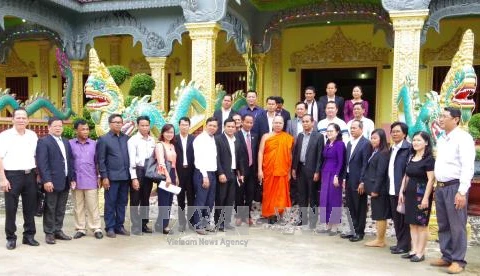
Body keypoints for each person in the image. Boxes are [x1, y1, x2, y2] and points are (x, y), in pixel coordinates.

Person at [431, 107, 475, 274]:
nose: (441, 119)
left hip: (455, 187)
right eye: (440, 116)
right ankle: (447, 255)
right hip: (441, 186)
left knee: (457, 225)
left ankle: (458, 260)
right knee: (444, 224)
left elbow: (468, 166)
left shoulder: (463, 138)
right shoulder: (443, 138)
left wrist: (462, 191)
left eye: (444, 116)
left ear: (456, 119)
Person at [0, 108, 39, 250]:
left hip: (30, 175)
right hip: (12, 175)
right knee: (11, 208)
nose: (21, 120)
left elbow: (35, 156)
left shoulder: (32, 135)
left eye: (24, 118)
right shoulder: (5, 136)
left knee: (30, 207)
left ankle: (29, 236)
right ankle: (11, 237)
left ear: (28, 120)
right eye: (18, 117)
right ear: (12, 120)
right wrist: (3, 179)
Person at [36, 117, 75, 244]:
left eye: (60, 126)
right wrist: (46, 180)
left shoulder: (65, 141)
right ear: (49, 127)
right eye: (55, 126)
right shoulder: (44, 142)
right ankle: (49, 232)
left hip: (64, 180)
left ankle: (58, 230)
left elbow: (69, 161)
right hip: (51, 181)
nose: (58, 128)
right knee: (50, 207)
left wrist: (72, 178)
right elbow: (42, 163)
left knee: (61, 207)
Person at [398, 131, 435, 262]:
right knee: (412, 224)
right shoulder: (411, 157)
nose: (415, 143)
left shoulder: (429, 159)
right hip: (409, 193)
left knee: (421, 224)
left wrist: (426, 198)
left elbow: (431, 180)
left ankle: (421, 252)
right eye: (414, 140)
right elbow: (406, 176)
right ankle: (414, 250)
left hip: (421, 193)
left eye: (419, 140)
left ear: (426, 142)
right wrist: (402, 192)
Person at [96, 114, 131, 238]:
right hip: (111, 178)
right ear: (110, 124)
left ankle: (119, 226)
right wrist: (104, 177)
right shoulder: (104, 139)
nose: (118, 124)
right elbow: (101, 160)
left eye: (120, 122)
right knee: (110, 203)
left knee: (122, 202)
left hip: (125, 177)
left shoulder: (126, 138)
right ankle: (110, 227)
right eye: (115, 122)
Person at [69, 119, 103, 240]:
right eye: (83, 129)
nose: (86, 131)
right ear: (76, 130)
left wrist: (100, 176)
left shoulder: (94, 144)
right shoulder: (70, 144)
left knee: (93, 205)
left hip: (91, 179)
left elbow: (98, 162)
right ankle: (80, 228)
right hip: (76, 180)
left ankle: (96, 228)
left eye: (87, 129)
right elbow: (69, 162)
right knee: (78, 206)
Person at [258, 115, 294, 224]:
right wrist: (259, 170)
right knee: (268, 193)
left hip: (282, 170)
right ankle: (270, 214)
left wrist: (289, 171)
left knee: (281, 193)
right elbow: (260, 152)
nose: (278, 125)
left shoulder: (288, 138)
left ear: (283, 125)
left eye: (280, 123)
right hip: (268, 169)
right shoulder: (266, 136)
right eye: (276, 123)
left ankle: (280, 213)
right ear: (272, 124)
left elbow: (290, 155)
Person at [341, 120, 372, 242]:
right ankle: (352, 229)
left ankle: (359, 232)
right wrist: (344, 177)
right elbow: (347, 163)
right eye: (351, 128)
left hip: (359, 180)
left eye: (355, 128)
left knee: (360, 206)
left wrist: (363, 181)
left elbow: (365, 164)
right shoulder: (349, 143)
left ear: (361, 129)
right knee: (350, 205)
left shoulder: (366, 144)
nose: (352, 130)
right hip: (349, 178)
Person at [291, 114, 324, 228]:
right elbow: (296, 153)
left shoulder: (318, 136)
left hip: (312, 171)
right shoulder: (299, 136)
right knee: (302, 196)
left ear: (312, 122)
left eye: (307, 121)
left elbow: (320, 155)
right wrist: (294, 168)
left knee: (313, 196)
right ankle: (302, 219)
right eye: (303, 122)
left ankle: (313, 221)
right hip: (300, 169)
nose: (305, 123)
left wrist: (317, 171)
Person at [214, 118, 244, 231]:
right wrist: (220, 173)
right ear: (224, 127)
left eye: (233, 127)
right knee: (220, 199)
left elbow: (240, 158)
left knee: (230, 200)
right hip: (223, 174)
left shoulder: (237, 140)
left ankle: (226, 222)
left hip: (233, 173)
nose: (231, 129)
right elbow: (216, 158)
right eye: (229, 126)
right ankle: (218, 223)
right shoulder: (218, 139)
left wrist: (241, 173)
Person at [127, 116, 155, 235]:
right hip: (137, 171)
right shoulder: (133, 140)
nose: (144, 127)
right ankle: (135, 225)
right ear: (138, 126)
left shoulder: (152, 140)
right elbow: (131, 161)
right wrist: (134, 178)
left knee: (145, 199)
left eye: (146, 125)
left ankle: (144, 224)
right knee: (135, 199)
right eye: (142, 125)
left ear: (149, 126)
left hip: (148, 172)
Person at [364, 128, 391, 248]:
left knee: (380, 215)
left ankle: (380, 240)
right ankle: (379, 238)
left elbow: (381, 173)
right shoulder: (375, 151)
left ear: (382, 139)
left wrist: (375, 189)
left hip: (380, 190)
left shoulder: (384, 153)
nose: (373, 140)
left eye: (375, 138)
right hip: (374, 188)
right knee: (377, 214)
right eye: (372, 138)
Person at [388, 122, 412, 255]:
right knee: (396, 217)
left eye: (397, 131)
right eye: (393, 131)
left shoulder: (408, 148)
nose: (394, 134)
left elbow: (408, 170)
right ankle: (400, 243)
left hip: (402, 189)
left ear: (404, 133)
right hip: (391, 187)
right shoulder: (393, 148)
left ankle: (405, 245)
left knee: (403, 218)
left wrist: (404, 189)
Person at [317, 123, 345, 235]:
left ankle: (334, 227)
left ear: (337, 132)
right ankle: (327, 225)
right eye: (327, 131)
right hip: (325, 173)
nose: (329, 133)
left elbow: (341, 162)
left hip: (334, 173)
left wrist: (337, 176)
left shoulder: (340, 144)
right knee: (325, 199)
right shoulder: (328, 143)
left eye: (331, 131)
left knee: (334, 199)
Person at [192, 117, 219, 235]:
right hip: (203, 173)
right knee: (201, 200)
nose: (212, 128)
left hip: (212, 172)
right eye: (210, 125)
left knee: (210, 201)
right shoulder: (200, 139)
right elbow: (199, 159)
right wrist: (204, 176)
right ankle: (198, 225)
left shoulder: (213, 139)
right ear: (206, 125)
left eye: (215, 126)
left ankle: (206, 222)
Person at [154, 124, 178, 235]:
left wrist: (176, 176)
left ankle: (159, 223)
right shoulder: (159, 145)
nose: (169, 134)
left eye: (171, 132)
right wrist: (167, 177)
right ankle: (164, 226)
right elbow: (161, 163)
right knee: (163, 201)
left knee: (169, 201)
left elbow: (174, 163)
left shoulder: (172, 145)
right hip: (164, 174)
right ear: (163, 133)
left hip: (172, 173)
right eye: (167, 132)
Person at [235, 114, 258, 226]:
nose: (249, 124)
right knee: (239, 193)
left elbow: (256, 153)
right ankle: (239, 215)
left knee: (250, 193)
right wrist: (238, 171)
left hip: (252, 170)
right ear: (242, 122)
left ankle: (247, 215)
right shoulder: (236, 135)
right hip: (241, 170)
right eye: (247, 122)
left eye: (251, 122)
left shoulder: (255, 135)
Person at [175, 117, 196, 232]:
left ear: (189, 126)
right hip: (179, 172)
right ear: (179, 126)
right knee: (180, 198)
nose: (184, 127)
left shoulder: (194, 139)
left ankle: (192, 222)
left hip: (191, 172)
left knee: (192, 198)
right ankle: (182, 223)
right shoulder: (174, 139)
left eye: (186, 125)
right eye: (182, 125)